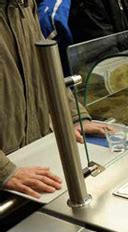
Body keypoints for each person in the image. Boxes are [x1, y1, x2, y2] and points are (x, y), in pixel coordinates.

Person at [0, 0, 108, 199]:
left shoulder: (23, 5)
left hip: (30, 162)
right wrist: (4, 170)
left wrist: (73, 117)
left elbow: (46, 67)